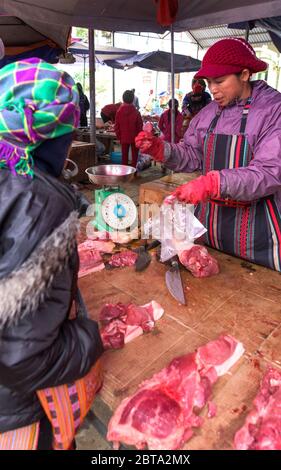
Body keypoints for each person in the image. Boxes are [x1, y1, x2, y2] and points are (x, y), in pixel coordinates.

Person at [0, 58, 118, 450]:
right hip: (13, 415)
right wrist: (90, 336)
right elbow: (20, 359)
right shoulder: (37, 201)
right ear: (56, 136)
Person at [136, 37, 281, 272]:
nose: (212, 89)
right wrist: (160, 149)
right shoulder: (209, 112)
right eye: (208, 81)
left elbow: (269, 173)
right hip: (210, 232)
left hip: (258, 237)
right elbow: (193, 154)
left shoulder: (274, 110)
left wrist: (213, 182)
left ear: (244, 74)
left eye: (220, 81)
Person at [115, 89, 143, 168]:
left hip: (123, 137)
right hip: (135, 137)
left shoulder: (119, 112)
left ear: (123, 98)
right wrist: (139, 138)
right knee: (135, 157)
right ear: (133, 99)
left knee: (124, 157)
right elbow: (140, 127)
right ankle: (134, 173)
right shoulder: (136, 112)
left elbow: (116, 126)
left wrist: (119, 137)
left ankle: (124, 173)